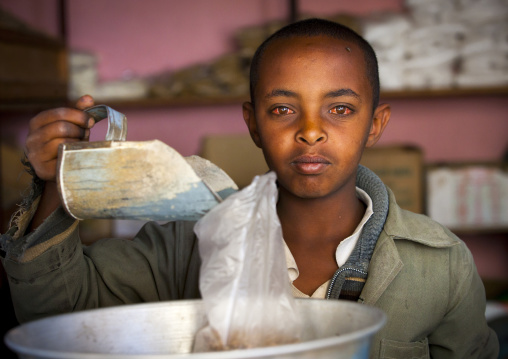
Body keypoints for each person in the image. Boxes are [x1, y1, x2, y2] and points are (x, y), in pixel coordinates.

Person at [0, 18, 499, 358]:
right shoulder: (186, 243)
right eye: (283, 108)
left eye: (340, 109)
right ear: (253, 123)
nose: (310, 130)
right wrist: (56, 185)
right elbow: (59, 314)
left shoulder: (441, 263)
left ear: (375, 123)